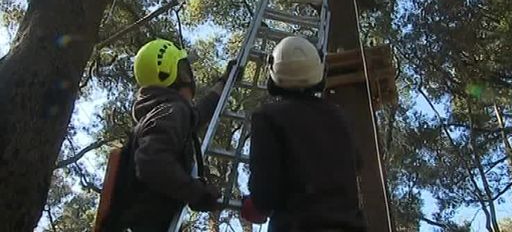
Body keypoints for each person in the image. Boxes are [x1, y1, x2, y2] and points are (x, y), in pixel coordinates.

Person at [102, 38, 232, 232]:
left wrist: (224, 82)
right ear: (172, 75)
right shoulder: (172, 111)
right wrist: (197, 193)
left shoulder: (162, 114)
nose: (190, 79)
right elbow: (152, 163)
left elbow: (198, 115)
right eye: (185, 72)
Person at [241, 36, 366, 232]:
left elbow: (265, 195)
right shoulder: (341, 117)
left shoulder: (267, 117)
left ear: (273, 76)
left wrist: (253, 205)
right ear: (319, 72)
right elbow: (356, 164)